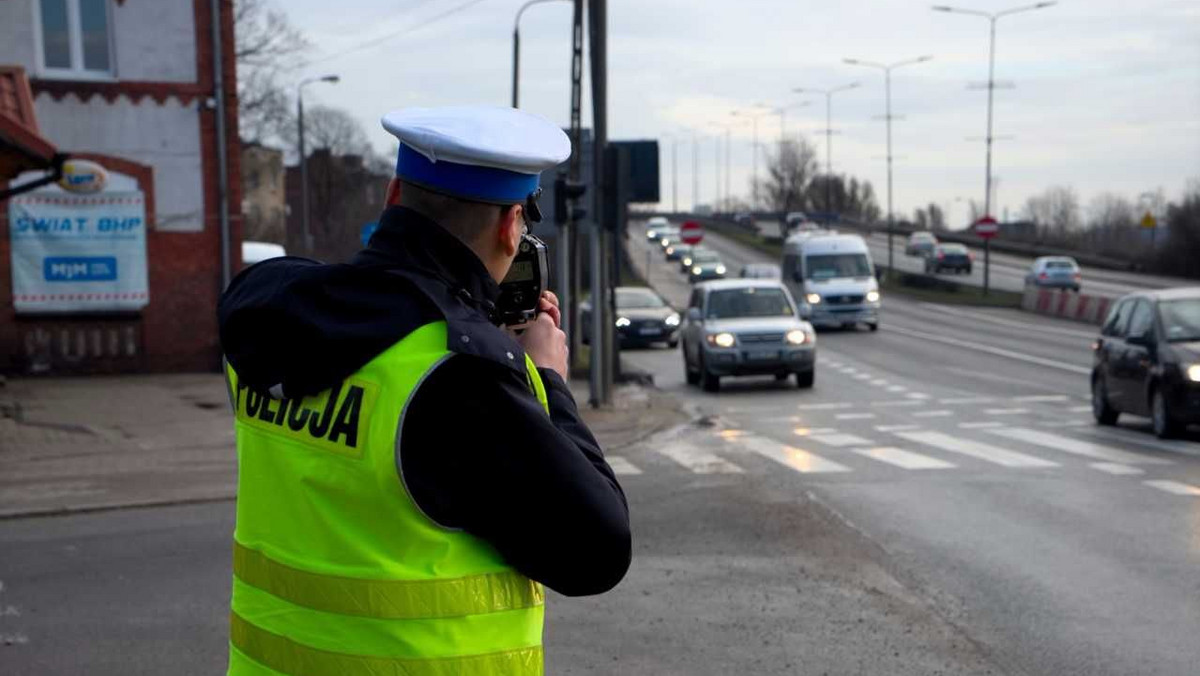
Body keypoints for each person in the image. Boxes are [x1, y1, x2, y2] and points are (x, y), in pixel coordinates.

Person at [218, 105, 631, 676]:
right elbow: (598, 553)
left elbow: (373, 319)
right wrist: (549, 381)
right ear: (512, 227)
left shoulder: (262, 309)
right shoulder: (460, 375)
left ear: (392, 196)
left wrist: (475, 321)